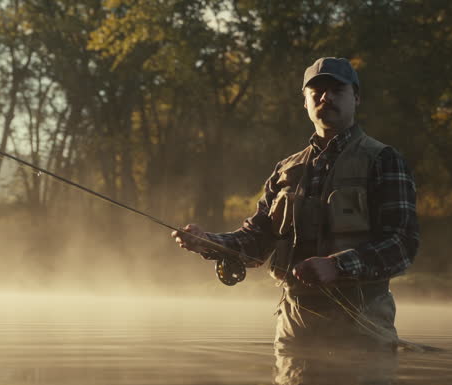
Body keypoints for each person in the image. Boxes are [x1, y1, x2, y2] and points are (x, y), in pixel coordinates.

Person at [172, 57, 419, 350]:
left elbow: (402, 245)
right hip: (294, 326)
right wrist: (208, 242)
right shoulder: (285, 169)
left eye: (336, 89)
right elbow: (256, 242)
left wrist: (337, 266)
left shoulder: (384, 160)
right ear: (305, 102)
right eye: (316, 91)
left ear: (356, 97)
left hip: (364, 328)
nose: (325, 97)